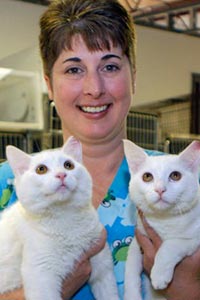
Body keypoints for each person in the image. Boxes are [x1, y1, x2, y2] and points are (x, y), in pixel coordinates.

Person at [0, 0, 200, 299]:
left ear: (133, 76)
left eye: (109, 66)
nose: (94, 87)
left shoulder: (185, 182)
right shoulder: (7, 186)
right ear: (49, 85)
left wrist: (188, 288)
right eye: (73, 69)